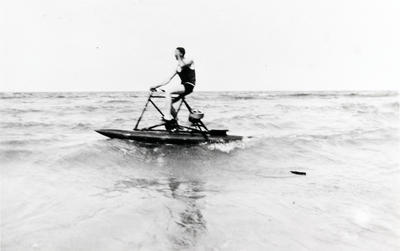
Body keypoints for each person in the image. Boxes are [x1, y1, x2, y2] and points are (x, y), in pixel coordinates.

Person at [150, 47, 196, 121]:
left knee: (168, 91)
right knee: (169, 104)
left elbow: (182, 65)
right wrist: (155, 86)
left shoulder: (189, 61)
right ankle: (177, 123)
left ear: (181, 53)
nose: (174, 55)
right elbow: (167, 79)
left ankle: (167, 117)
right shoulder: (177, 67)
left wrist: (178, 56)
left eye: (176, 53)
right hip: (183, 86)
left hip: (189, 85)